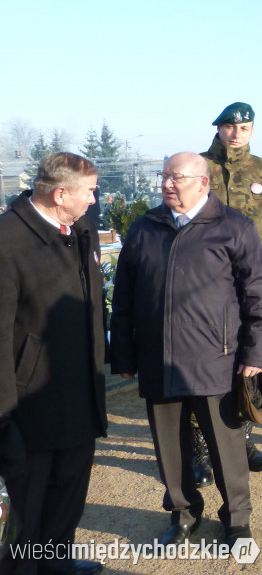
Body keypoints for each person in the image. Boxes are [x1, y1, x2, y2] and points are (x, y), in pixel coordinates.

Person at [110, 152, 262, 547]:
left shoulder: (233, 227)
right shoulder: (144, 228)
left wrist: (255, 354)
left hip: (214, 359)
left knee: (226, 447)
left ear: (203, 183)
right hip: (158, 358)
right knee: (170, 448)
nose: (167, 184)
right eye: (164, 176)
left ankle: (236, 520)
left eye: (176, 177)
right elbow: (125, 297)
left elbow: (257, 295)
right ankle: (183, 514)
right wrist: (125, 356)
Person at [0, 153, 106, 575]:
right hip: (30, 406)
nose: (95, 200)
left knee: (69, 495)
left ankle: (57, 562)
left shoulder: (81, 230)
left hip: (80, 392)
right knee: (28, 508)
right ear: (61, 193)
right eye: (89, 191)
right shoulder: (8, 241)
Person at [199, 102, 262, 476]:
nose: (237, 133)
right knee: (205, 364)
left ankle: (244, 439)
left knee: (249, 363)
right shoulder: (198, 167)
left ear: (252, 131)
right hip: (206, 284)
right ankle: (200, 448)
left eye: (245, 128)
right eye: (230, 127)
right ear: (219, 128)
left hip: (253, 282)